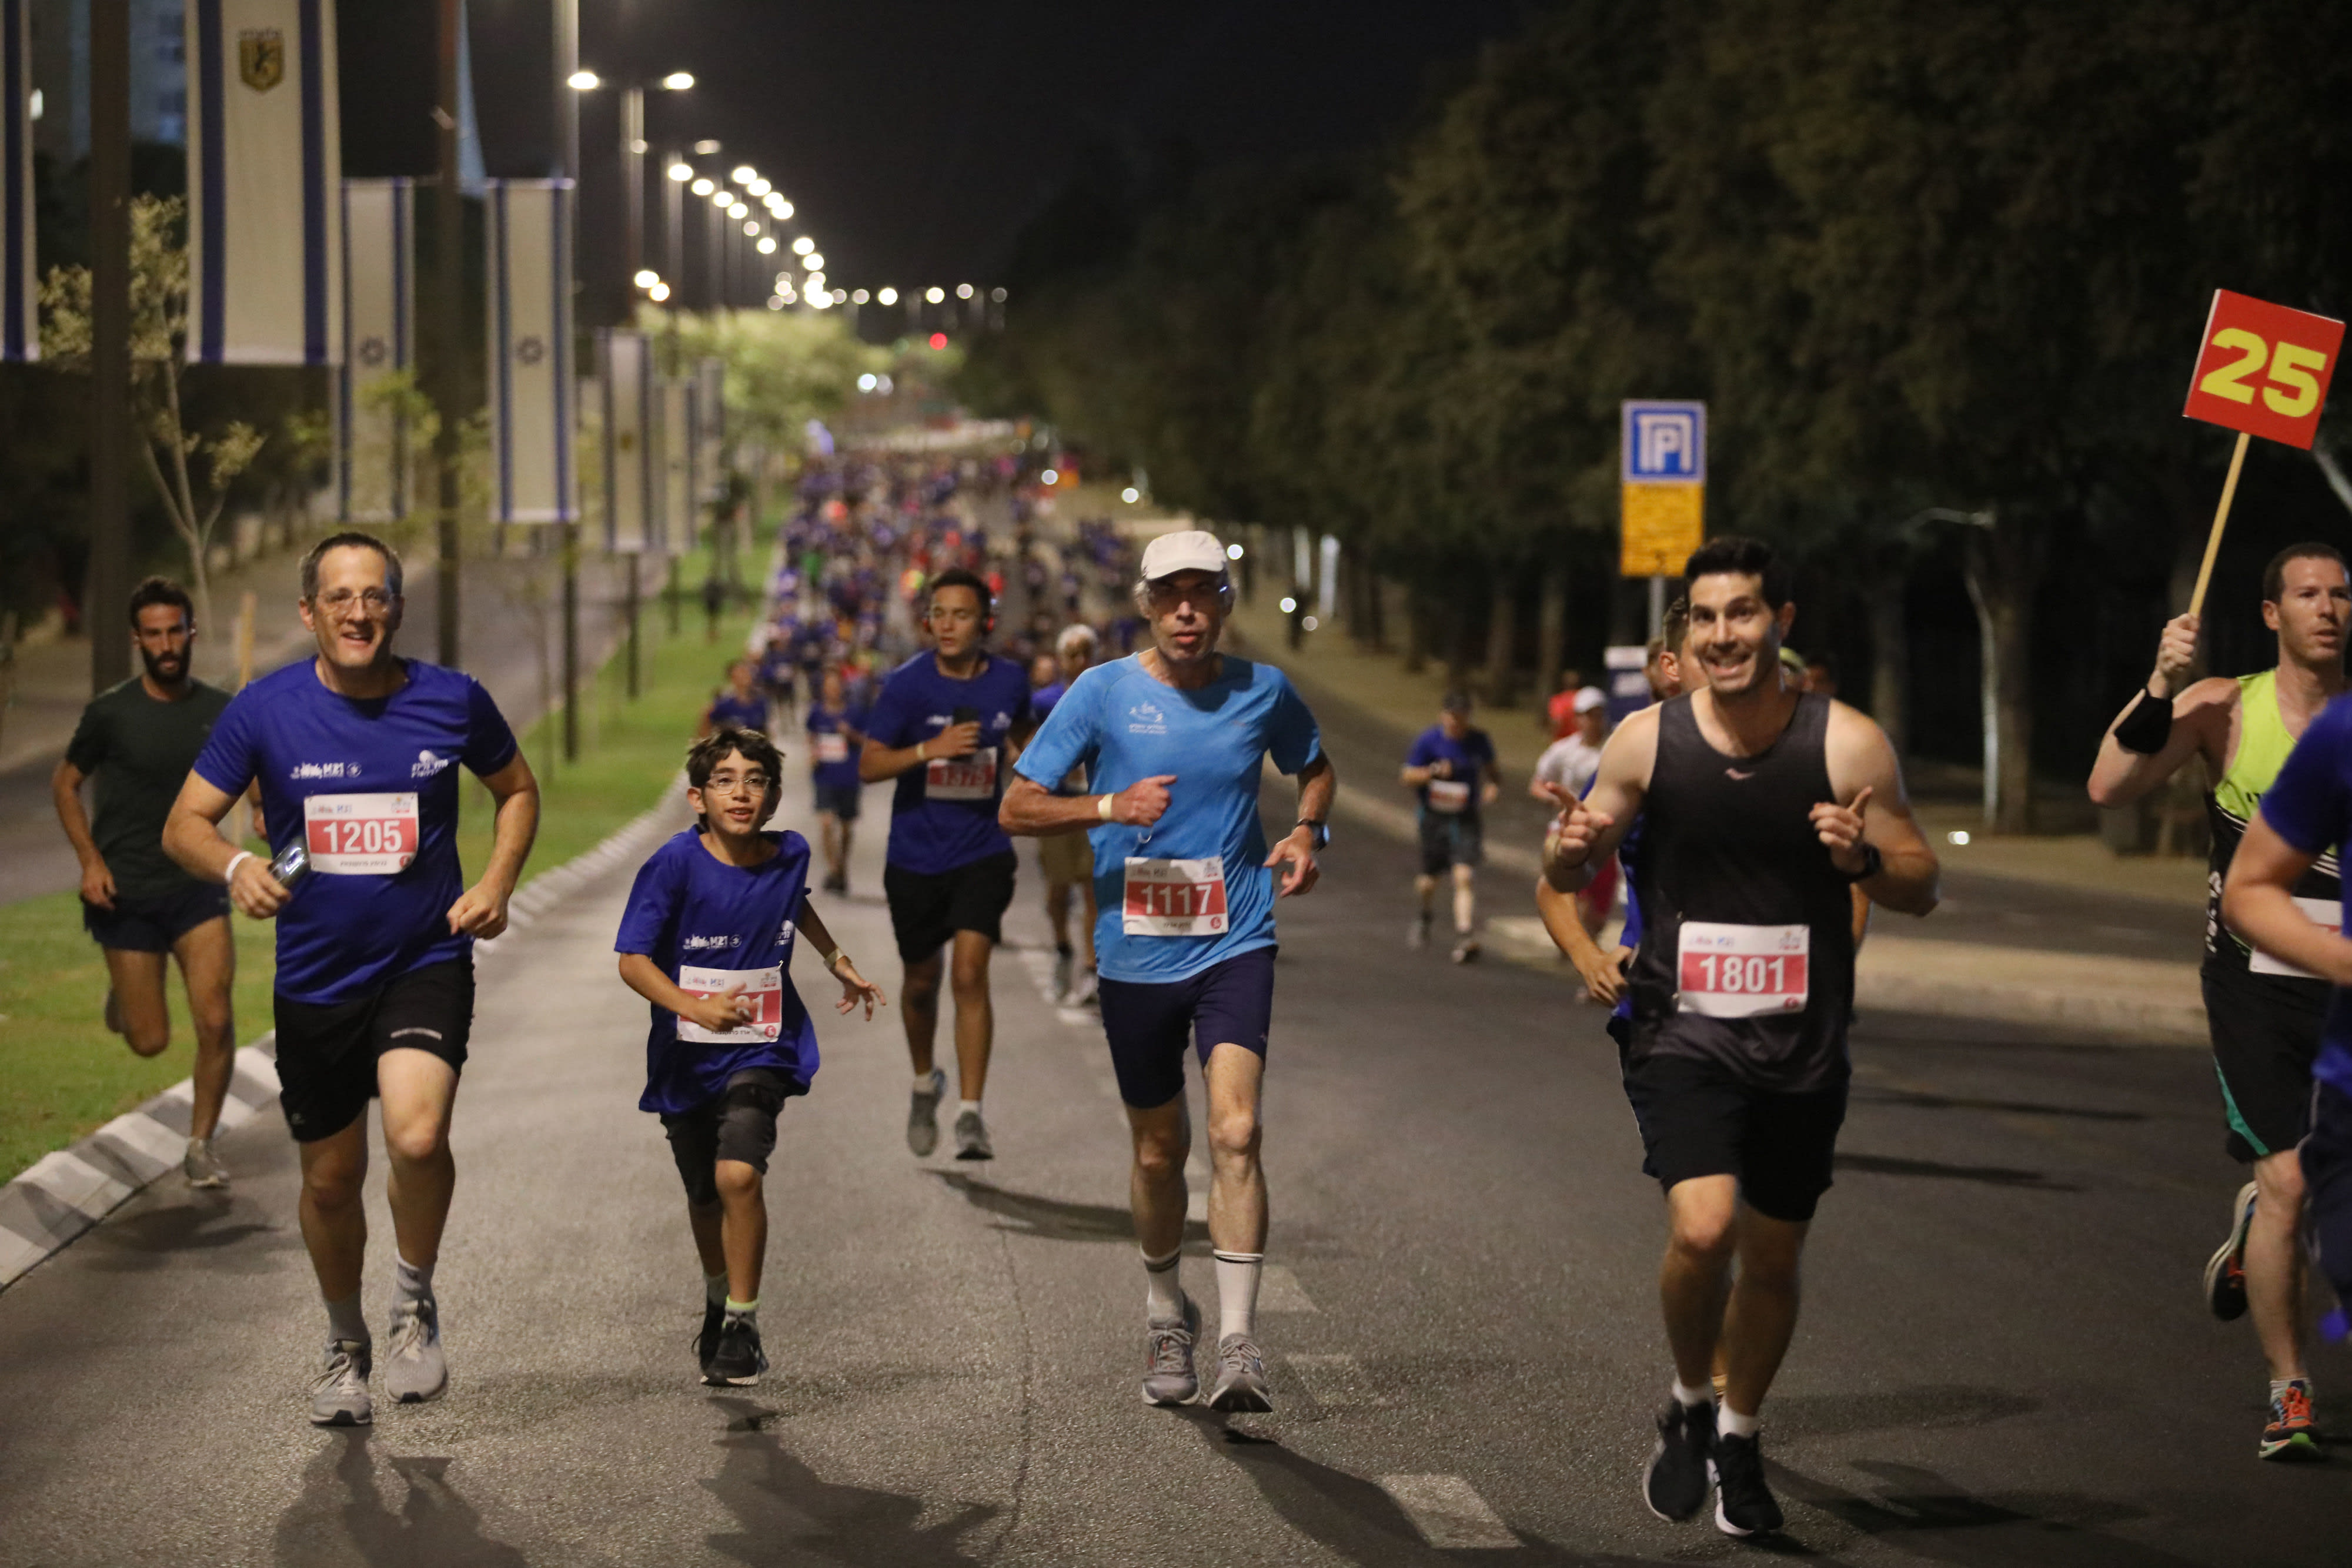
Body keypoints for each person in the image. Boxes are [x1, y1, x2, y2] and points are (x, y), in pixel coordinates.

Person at [1546, 537, 1938, 1536]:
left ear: (1781, 623)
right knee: (1704, 1227)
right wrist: (1569, 847)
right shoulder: (1646, 740)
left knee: (1771, 1256)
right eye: (1709, 616)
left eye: (1745, 613)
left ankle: (1739, 1430)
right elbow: (1571, 851)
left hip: (1802, 1044)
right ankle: (1688, 1394)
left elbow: (1921, 882)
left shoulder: (1846, 743)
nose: (1726, 634)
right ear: (1690, 627)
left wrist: (1862, 864)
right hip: (1682, 1028)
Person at [162, 532, 539, 1428]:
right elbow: (184, 823)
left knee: (416, 1135)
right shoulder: (265, 710)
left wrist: (493, 884)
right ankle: (345, 1341)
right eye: (339, 597)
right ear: (310, 612)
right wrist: (233, 868)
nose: (358, 611)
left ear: (396, 609)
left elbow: (516, 789)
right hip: (319, 976)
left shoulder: (453, 700)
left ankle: (414, 1301)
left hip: (424, 958)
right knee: (331, 1179)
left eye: (375, 595)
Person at [1002, 528, 1334, 1413]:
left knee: (1236, 1131)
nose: (1188, 609)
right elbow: (1017, 803)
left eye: (1204, 592)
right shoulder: (1101, 691)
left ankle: (1238, 1343)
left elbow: (1315, 767)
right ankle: (1163, 1310)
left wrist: (1307, 830)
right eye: (1170, 594)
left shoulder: (1264, 690)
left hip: (1237, 938)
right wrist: (1108, 803)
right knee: (1159, 1150)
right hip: (1137, 952)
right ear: (1146, 605)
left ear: (1226, 603)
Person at [2086, 543, 2349, 1461]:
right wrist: (2159, 685)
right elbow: (2110, 783)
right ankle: (2290, 1387)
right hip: (2253, 991)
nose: (2330, 607)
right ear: (2272, 613)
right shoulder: (2221, 708)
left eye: (2343, 592)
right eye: (2308, 593)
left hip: (2343, 989)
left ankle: (2254, 1229)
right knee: (2289, 1180)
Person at [614, 727, 883, 1386]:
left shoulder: (788, 854)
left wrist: (838, 961)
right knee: (705, 1193)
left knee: (739, 1174)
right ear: (697, 798)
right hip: (686, 1054)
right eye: (725, 780)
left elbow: (795, 907)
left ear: (773, 797)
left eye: (756, 780)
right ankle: (717, 1295)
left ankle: (742, 1319)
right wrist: (692, 1007)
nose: (741, 791)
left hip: (764, 1045)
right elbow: (631, 960)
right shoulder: (674, 864)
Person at [52, 577, 243, 1189]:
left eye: (175, 631)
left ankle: (200, 1145)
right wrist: (90, 862)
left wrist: (266, 814)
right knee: (150, 1041)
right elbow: (65, 783)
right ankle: (125, 999)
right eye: (153, 634)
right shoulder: (111, 712)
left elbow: (255, 779)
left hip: (197, 885)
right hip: (126, 890)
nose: (166, 644)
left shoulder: (220, 710)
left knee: (215, 1019)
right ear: (138, 639)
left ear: (191, 632)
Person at [859, 567, 1033, 1161]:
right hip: (914, 856)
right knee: (920, 983)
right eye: (938, 614)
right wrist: (928, 751)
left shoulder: (1010, 679)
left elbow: (1025, 738)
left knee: (968, 974)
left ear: (984, 622)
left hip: (982, 850)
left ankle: (970, 1114)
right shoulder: (906, 686)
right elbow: (870, 765)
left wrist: (1028, 760)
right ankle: (921, 1081)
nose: (947, 625)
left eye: (960, 614)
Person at [1401, 691, 1501, 962]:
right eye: (1453, 716)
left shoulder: (1479, 742)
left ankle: (1465, 934)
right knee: (1428, 881)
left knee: (1464, 876)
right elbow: (1408, 776)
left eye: (1463, 717)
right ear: (1443, 716)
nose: (1458, 722)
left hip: (1466, 815)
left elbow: (1493, 774)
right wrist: (1432, 772)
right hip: (1434, 816)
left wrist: (1492, 789)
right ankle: (1425, 914)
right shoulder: (1429, 741)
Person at [1031, 623, 1102, 1002]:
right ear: (1061, 660)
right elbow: (1027, 747)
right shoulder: (1044, 702)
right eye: (1073, 654)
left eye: (1086, 652)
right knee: (1058, 891)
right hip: (1057, 808)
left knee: (1093, 890)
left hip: (1094, 808)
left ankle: (1091, 968)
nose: (1080, 660)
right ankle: (1062, 948)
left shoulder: (1108, 699)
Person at [1534, 688, 1618, 937]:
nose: (1593, 721)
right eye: (1587, 715)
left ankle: (1585, 943)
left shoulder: (1615, 746)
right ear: (1577, 718)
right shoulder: (1563, 751)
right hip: (1568, 830)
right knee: (1577, 894)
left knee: (1599, 913)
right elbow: (1537, 784)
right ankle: (1575, 947)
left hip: (1605, 832)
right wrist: (1556, 800)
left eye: (1598, 714)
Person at [806, 668, 867, 895]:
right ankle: (833, 869)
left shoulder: (855, 713)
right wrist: (812, 754)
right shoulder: (816, 713)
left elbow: (867, 741)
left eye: (836, 686)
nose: (832, 690)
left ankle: (842, 867)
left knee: (846, 828)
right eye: (828, 686)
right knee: (826, 822)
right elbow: (811, 736)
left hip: (849, 776)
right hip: (824, 776)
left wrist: (850, 734)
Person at [701, 660, 770, 740]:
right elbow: (707, 724)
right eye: (740, 673)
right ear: (732, 677)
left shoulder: (761, 702)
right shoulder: (723, 704)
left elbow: (765, 730)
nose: (744, 676)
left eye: (746, 673)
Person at [1545, 667, 1586, 739]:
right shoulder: (1583, 698)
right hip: (1580, 740)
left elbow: (1557, 722)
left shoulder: (1558, 700)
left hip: (1563, 740)